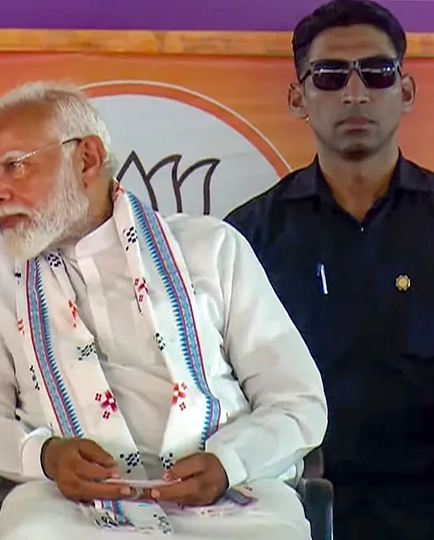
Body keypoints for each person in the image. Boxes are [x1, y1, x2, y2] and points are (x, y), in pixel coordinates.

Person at [0, 82, 327, 540]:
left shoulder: (211, 248)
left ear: (86, 159)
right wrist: (46, 457)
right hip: (67, 508)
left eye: (14, 167)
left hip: (232, 499)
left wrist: (229, 462)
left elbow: (295, 399)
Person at [224, 1, 432, 539]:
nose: (355, 93)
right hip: (294, 497)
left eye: (378, 73)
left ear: (405, 92)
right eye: (331, 76)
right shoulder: (245, 238)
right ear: (299, 98)